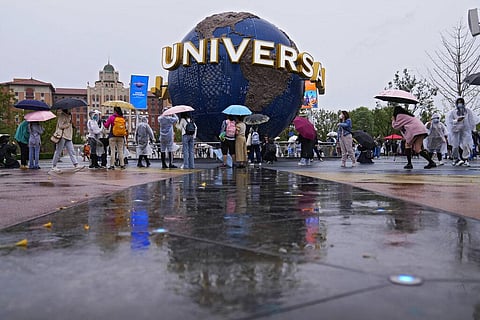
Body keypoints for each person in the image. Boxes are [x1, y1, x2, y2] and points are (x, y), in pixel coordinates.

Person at [446, 97, 478, 167]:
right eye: (458, 102)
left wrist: (473, 129)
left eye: (461, 102)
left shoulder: (468, 111)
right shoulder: (452, 112)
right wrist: (457, 120)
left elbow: (471, 120)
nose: (460, 104)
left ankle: (465, 159)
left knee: (466, 145)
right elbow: (449, 122)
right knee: (455, 146)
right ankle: (455, 159)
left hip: (465, 130)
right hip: (455, 131)